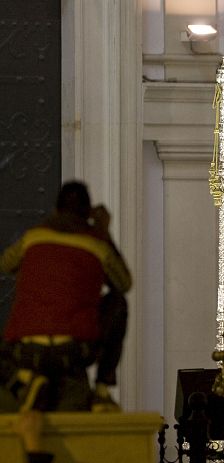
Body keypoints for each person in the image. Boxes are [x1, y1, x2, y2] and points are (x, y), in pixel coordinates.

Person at [0, 181, 131, 459]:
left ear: (56, 207)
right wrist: (104, 232)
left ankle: (21, 381)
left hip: (25, 351)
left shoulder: (33, 237)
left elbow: (5, 264)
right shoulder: (97, 242)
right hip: (72, 353)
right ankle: (102, 390)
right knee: (118, 303)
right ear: (87, 213)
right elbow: (123, 283)